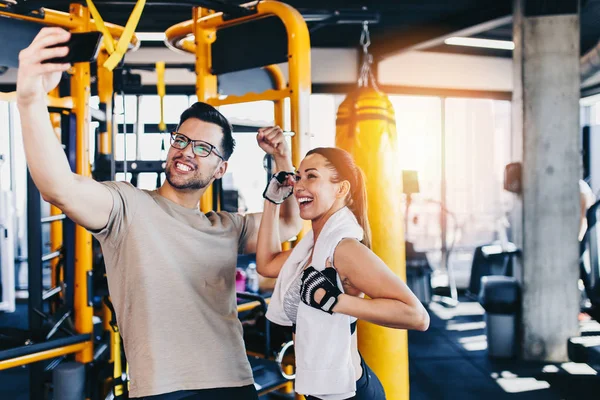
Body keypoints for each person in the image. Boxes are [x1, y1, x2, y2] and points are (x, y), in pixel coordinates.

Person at [16, 27, 302, 399]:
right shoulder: (128, 207)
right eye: (181, 140)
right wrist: (30, 99)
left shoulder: (226, 226)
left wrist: (281, 158)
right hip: (164, 389)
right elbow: (58, 185)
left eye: (202, 148)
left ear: (220, 170)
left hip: (232, 381)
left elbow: (289, 221)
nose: (185, 151)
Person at [256, 147, 430, 400]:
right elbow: (267, 264)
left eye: (311, 176)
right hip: (322, 391)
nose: (298, 185)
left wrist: (336, 301)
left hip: (349, 394)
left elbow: (417, 316)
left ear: (341, 189)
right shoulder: (311, 250)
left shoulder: (344, 249)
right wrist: (272, 200)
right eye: (298, 176)